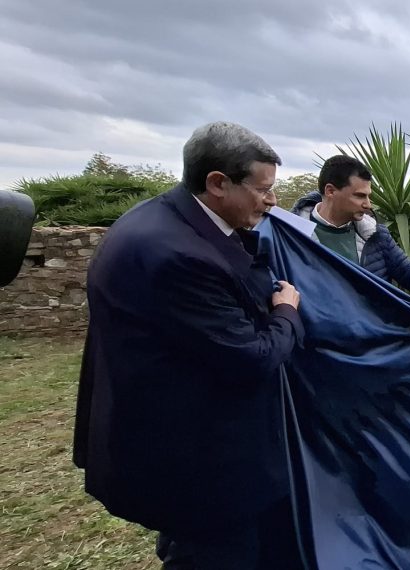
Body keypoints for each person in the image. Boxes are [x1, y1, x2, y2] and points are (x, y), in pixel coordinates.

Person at [73, 122, 307, 569]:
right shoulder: (179, 257)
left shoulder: (160, 219)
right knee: (216, 555)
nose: (273, 201)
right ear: (217, 183)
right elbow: (252, 358)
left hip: (171, 439)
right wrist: (287, 311)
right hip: (200, 464)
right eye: (262, 189)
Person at [291, 154, 410, 327]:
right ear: (330, 191)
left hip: (375, 337)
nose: (368, 204)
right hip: (319, 343)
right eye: (359, 196)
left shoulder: (376, 235)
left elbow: (407, 269)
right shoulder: (290, 236)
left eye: (368, 196)